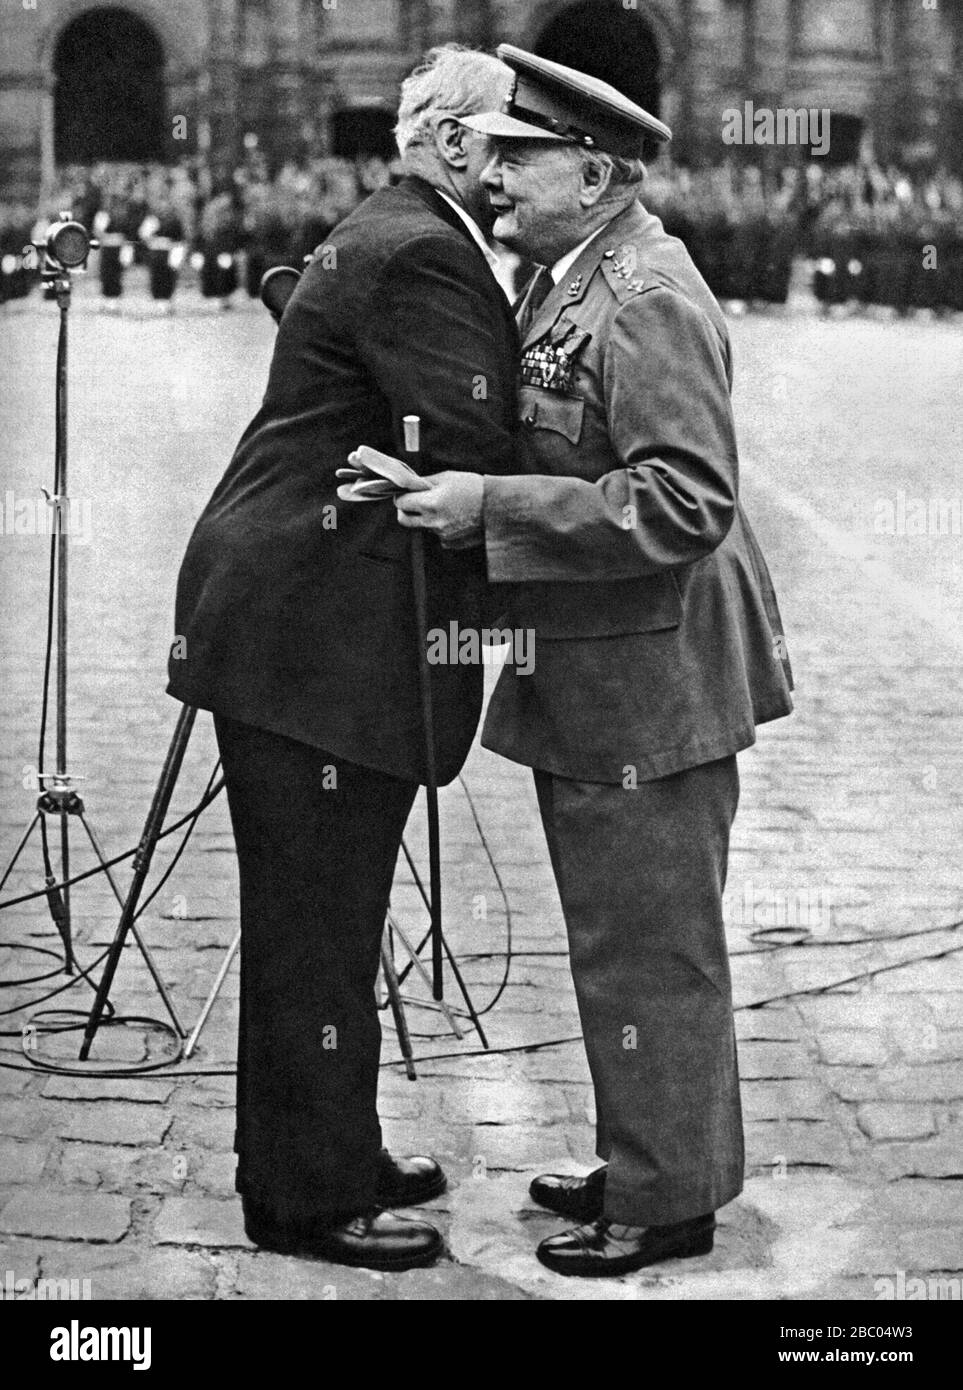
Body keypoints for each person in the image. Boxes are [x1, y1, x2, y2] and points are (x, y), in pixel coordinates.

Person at [395, 45, 794, 1277]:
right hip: (607, 664)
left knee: (650, 943)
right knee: (620, 935)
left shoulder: (644, 296)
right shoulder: (568, 277)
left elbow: (686, 500)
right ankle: (650, 1151)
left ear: (598, 168)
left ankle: (667, 1198)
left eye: (522, 155)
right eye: (495, 151)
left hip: (655, 675)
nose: (497, 175)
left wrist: (490, 510)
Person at [167, 45, 519, 1270]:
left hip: (302, 611)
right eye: (514, 148)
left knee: (332, 907)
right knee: (316, 918)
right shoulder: (422, 248)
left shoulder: (396, 226)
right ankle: (306, 1196)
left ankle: (330, 1147)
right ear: (461, 146)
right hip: (308, 626)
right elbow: (483, 431)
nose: (522, 174)